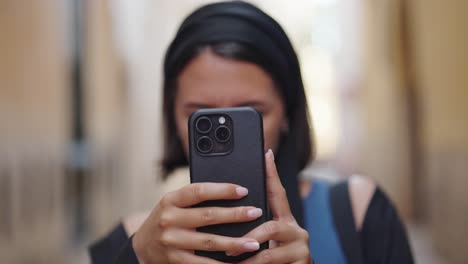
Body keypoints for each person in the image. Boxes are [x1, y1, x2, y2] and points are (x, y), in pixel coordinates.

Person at [89, 1, 414, 263]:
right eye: (200, 115)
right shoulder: (138, 241)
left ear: (288, 112)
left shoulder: (358, 213)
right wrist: (136, 257)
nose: (227, 137)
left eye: (251, 114)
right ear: (173, 115)